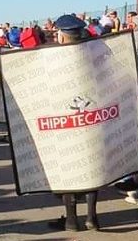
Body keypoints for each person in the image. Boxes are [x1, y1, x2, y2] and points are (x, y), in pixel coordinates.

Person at [47, 14, 99, 231]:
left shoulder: (54, 59)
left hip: (66, 121)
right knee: (93, 166)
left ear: (61, 34)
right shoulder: (95, 56)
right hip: (91, 119)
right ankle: (92, 217)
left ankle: (70, 219)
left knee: (67, 168)